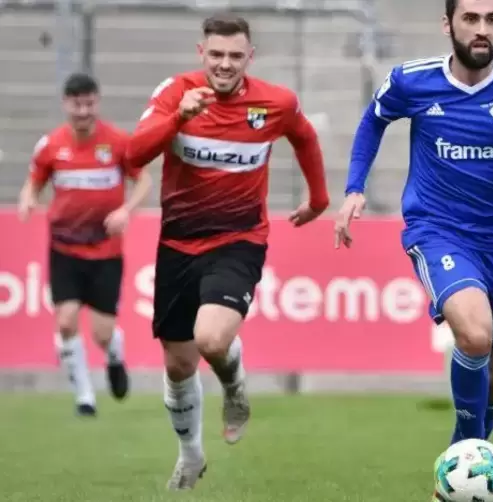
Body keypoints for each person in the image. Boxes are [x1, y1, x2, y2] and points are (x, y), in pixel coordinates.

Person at [335, 0, 493, 484]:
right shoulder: (413, 80)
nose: (482, 29)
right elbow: (373, 120)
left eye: (491, 19)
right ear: (448, 24)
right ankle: (462, 458)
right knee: (473, 334)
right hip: (438, 228)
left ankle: (467, 460)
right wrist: (355, 188)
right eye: (471, 19)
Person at [124, 13, 329, 490]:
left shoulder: (274, 102)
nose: (225, 64)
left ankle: (234, 387)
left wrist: (319, 198)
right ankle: (191, 456)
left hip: (239, 239)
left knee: (211, 339)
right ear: (202, 53)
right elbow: (133, 155)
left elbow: (305, 137)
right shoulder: (176, 92)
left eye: (235, 56)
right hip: (177, 243)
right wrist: (180, 119)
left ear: (249, 58)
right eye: (216, 54)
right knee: (178, 364)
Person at [17, 72, 153, 417]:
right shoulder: (51, 146)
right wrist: (28, 199)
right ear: (66, 104)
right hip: (64, 249)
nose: (82, 111)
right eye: (76, 104)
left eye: (89, 103)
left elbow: (144, 180)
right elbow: (33, 182)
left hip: (106, 251)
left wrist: (126, 209)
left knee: (103, 333)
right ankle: (84, 396)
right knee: (65, 321)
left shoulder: (119, 143)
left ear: (97, 102)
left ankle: (114, 355)